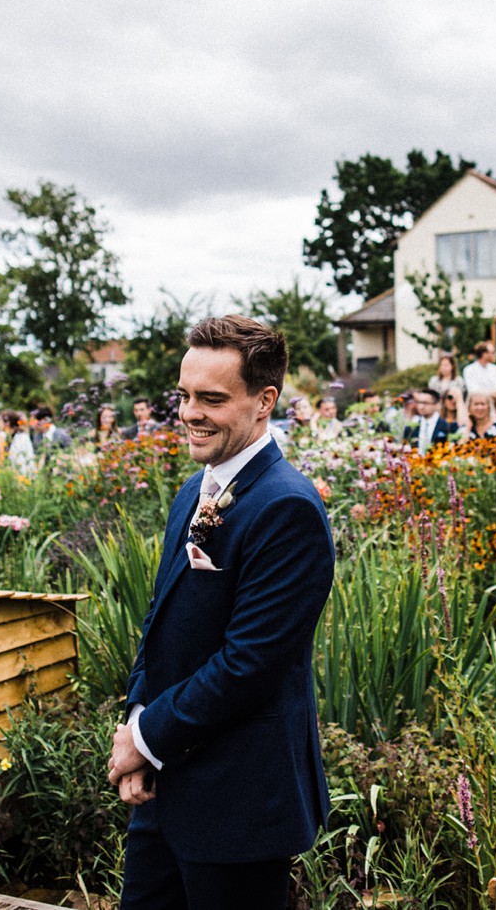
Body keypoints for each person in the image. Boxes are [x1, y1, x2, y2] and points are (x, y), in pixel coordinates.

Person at [107, 315, 334, 910]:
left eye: (211, 398)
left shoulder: (288, 508)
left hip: (239, 803)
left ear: (264, 402)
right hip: (165, 789)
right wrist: (138, 721)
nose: (189, 413)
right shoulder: (193, 490)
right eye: (184, 396)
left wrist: (146, 738)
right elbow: (161, 622)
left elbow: (249, 664)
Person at [462, 341, 496, 413]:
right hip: (478, 408)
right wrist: (493, 393)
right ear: (484, 354)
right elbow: (474, 391)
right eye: (492, 352)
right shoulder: (469, 370)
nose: (495, 354)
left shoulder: (495, 369)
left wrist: (488, 392)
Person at [402, 388, 455, 453]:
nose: (421, 407)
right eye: (419, 402)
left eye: (425, 403)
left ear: (437, 405)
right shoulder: (410, 428)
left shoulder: (448, 426)